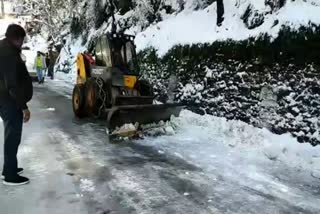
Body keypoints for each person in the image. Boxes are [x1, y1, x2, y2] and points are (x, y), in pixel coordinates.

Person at [0, 24, 33, 186]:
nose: (22, 43)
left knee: (11, 135)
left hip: (6, 99)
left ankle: (8, 168)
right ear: (16, 38)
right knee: (12, 136)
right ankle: (10, 176)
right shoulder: (8, 54)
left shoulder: (5, 49)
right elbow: (12, 84)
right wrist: (23, 107)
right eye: (22, 39)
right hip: (9, 101)